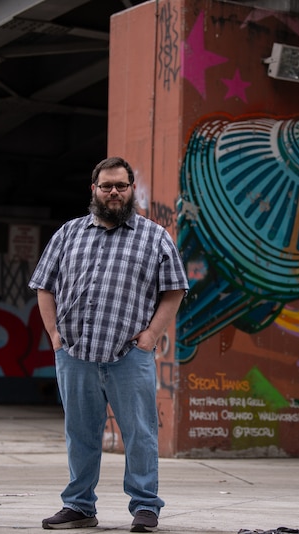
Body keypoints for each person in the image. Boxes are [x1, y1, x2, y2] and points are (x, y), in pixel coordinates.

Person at [29, 156, 188, 532]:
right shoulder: (69, 233)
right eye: (106, 186)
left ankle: (145, 507)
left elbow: (175, 289)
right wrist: (55, 336)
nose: (114, 192)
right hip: (75, 355)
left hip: (128, 357)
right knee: (80, 434)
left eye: (121, 185)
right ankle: (79, 506)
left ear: (132, 188)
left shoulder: (155, 236)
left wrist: (150, 337)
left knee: (140, 433)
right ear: (94, 190)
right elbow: (44, 286)